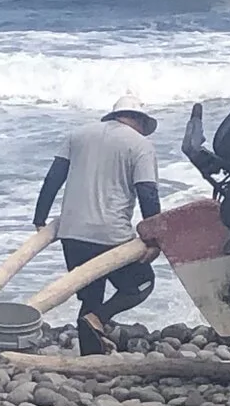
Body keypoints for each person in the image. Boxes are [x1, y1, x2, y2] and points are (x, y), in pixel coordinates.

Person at [35, 93, 161, 355]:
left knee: (90, 296)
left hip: (72, 233)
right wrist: (154, 239)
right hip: (111, 236)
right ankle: (99, 318)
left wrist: (40, 218)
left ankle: (90, 357)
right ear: (139, 120)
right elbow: (147, 192)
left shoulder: (77, 135)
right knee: (142, 283)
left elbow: (53, 178)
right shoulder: (140, 145)